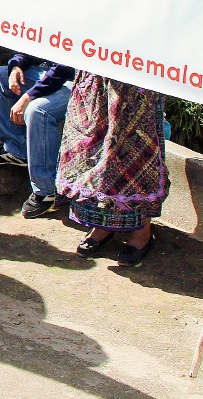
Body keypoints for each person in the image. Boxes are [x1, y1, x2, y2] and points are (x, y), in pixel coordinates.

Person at [56, 74, 166, 267]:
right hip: (98, 69)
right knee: (93, 152)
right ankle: (102, 226)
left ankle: (142, 233)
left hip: (138, 74)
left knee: (136, 155)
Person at [0, 54, 75, 217]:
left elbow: (64, 69)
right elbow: (30, 46)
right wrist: (16, 66)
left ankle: (46, 190)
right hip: (48, 72)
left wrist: (28, 96)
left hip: (76, 82)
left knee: (37, 110)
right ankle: (17, 150)